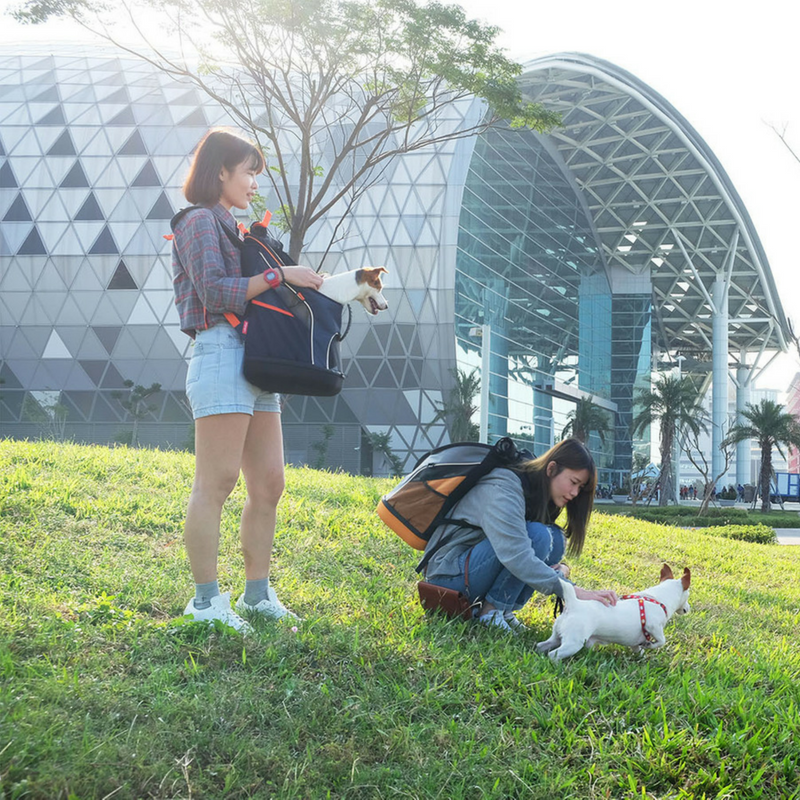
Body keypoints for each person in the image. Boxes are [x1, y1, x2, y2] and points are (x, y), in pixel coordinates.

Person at [172, 128, 324, 631]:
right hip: (220, 352)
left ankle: (255, 594)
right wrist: (283, 275)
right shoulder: (197, 222)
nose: (255, 182)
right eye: (249, 172)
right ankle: (204, 603)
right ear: (220, 172)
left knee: (269, 483)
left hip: (256, 360)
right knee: (215, 482)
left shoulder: (235, 228)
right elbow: (215, 293)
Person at [421, 438, 618, 632]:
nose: (575, 493)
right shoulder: (504, 487)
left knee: (555, 539)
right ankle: (491, 612)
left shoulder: (536, 491)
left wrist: (563, 568)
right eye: (573, 482)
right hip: (446, 577)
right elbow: (517, 556)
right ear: (551, 469)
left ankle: (503, 611)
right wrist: (574, 592)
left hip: (471, 569)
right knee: (538, 536)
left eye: (580, 488)